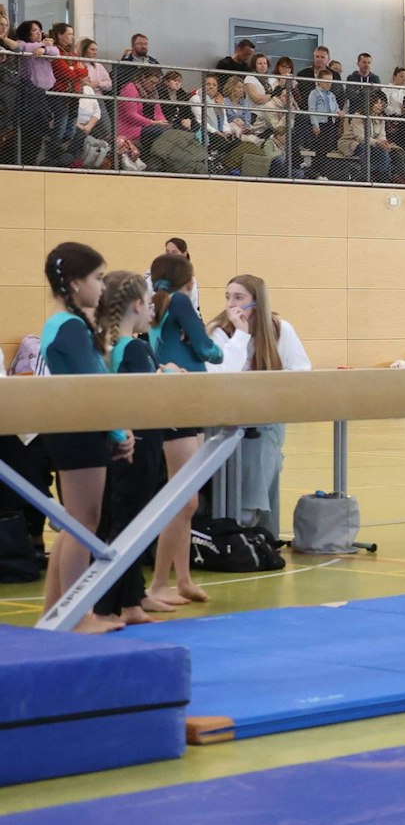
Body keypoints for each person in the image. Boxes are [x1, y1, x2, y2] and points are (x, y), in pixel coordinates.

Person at [34, 244, 131, 633]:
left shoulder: (64, 323)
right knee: (82, 524)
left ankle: (56, 611)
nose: (103, 286)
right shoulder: (70, 326)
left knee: (76, 522)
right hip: (79, 430)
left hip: (74, 428)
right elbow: (93, 383)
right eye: (98, 278)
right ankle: (79, 617)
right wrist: (120, 430)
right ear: (75, 284)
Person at [145, 252, 221, 607]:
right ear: (189, 280)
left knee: (186, 502)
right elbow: (208, 350)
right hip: (182, 399)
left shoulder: (158, 303)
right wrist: (215, 348)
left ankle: (183, 579)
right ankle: (160, 583)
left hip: (177, 397)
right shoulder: (181, 301)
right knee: (184, 499)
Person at [95, 271, 170, 626]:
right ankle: (106, 605)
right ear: (138, 305)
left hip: (118, 442)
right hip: (138, 443)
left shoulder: (107, 345)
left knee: (119, 520)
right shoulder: (136, 348)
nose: (153, 307)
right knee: (130, 524)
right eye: (151, 300)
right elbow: (145, 397)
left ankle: (131, 601)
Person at [211, 275, 311, 533]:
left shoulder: (280, 329)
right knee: (260, 446)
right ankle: (244, 515)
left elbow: (301, 371)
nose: (231, 303)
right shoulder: (219, 331)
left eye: (239, 297)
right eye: (228, 296)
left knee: (266, 441)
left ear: (256, 302)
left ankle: (255, 519)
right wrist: (241, 334)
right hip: (226, 416)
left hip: (266, 415)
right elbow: (221, 374)